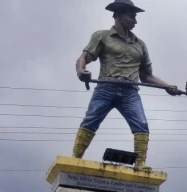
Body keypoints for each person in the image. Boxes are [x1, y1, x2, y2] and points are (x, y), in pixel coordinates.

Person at [72, 0, 178, 170]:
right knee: (90, 121)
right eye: (132, 16)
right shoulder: (102, 36)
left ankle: (140, 163)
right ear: (119, 15)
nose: (135, 21)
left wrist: (167, 86)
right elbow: (83, 58)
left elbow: (146, 75)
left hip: (130, 92)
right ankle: (75, 159)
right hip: (106, 87)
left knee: (141, 125)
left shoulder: (140, 45)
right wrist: (81, 71)